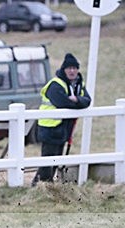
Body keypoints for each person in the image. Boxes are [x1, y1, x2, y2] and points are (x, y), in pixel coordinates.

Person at [34, 52, 91, 185]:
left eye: (74, 68)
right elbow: (62, 103)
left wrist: (76, 99)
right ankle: (40, 185)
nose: (72, 71)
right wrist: (78, 103)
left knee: (56, 159)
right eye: (69, 68)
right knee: (48, 160)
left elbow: (87, 101)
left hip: (63, 129)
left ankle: (45, 185)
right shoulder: (55, 84)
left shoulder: (78, 84)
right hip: (49, 127)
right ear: (64, 70)